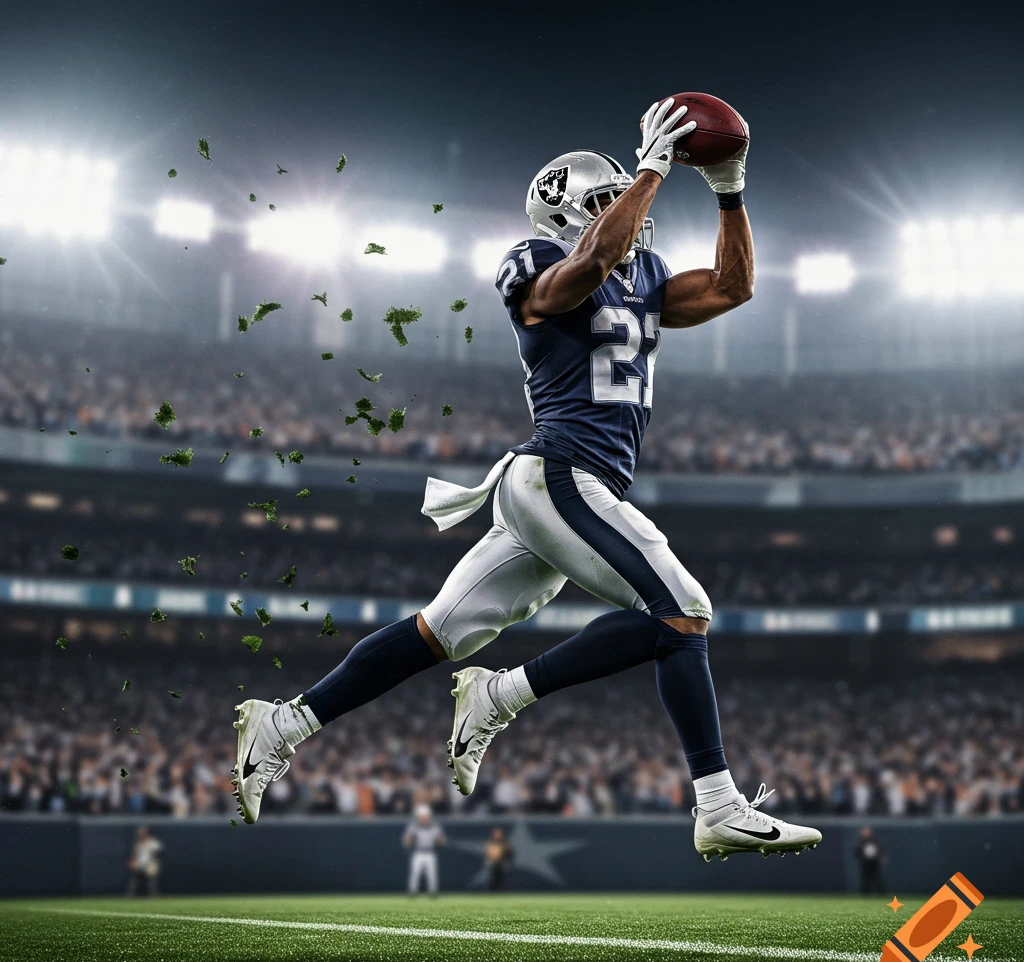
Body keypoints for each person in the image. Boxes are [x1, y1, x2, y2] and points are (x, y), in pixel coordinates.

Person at [232, 99, 822, 863]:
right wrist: (649, 170)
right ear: (564, 213)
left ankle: (286, 724)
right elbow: (581, 275)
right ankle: (715, 802)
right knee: (682, 614)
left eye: (625, 197)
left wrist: (729, 190)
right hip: (559, 475)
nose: (632, 213)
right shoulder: (534, 261)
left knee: (436, 633)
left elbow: (732, 287)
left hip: (569, 488)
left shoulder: (640, 270)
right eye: (605, 202)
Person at [403, 805, 446, 896]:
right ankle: (412, 892)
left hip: (430, 852)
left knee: (432, 874)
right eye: (422, 817)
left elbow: (441, 840)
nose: (424, 819)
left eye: (425, 817)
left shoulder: (434, 827)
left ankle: (433, 892)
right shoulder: (414, 827)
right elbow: (407, 840)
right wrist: (409, 840)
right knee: (415, 873)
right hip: (418, 852)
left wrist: (440, 840)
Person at [126, 825, 163, 896]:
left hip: (150, 864)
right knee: (135, 880)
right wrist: (132, 861)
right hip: (140, 864)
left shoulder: (153, 842)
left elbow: (157, 854)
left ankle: (153, 895)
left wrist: (155, 864)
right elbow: (135, 854)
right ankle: (130, 895)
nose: (141, 835)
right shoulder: (138, 843)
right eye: (140, 833)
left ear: (147, 833)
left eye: (142, 833)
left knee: (151, 881)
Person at [856, 826, 886, 893]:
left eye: (867, 832)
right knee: (865, 879)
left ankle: (881, 893)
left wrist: (880, 858)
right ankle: (864, 893)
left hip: (874, 863)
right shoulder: (861, 842)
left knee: (877, 879)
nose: (865, 833)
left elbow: (879, 850)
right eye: (864, 832)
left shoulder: (875, 841)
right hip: (865, 863)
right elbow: (858, 852)